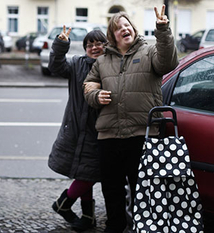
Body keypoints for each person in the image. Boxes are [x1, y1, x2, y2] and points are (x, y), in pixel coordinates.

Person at [83, 5, 179, 233]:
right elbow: (88, 86)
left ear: (134, 29)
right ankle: (114, 227)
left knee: (142, 189)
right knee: (112, 189)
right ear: (112, 36)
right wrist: (96, 95)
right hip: (109, 136)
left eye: (127, 25)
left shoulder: (149, 51)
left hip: (142, 135)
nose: (125, 29)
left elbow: (168, 63)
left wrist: (163, 29)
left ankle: (144, 227)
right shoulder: (102, 61)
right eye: (119, 28)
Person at [48, 25, 107, 231]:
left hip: (98, 129)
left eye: (99, 43)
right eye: (90, 44)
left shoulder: (111, 66)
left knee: (87, 172)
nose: (94, 47)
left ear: (106, 46)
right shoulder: (76, 64)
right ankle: (72, 208)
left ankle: (76, 210)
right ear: (84, 48)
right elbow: (56, 66)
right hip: (74, 128)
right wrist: (61, 44)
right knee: (85, 173)